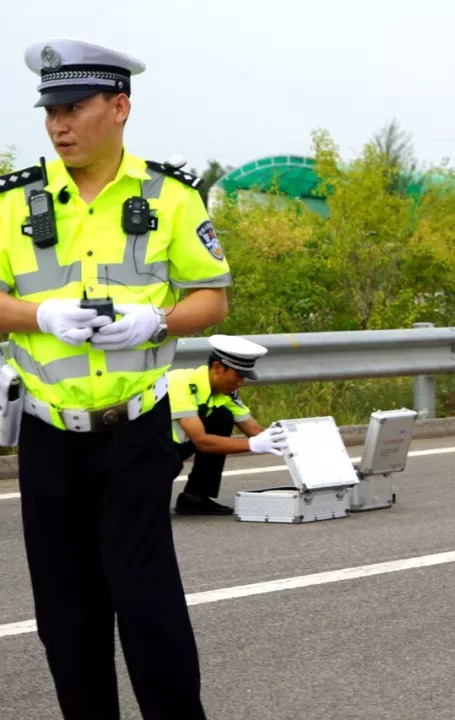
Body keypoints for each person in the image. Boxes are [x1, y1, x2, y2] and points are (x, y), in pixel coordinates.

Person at [0, 39, 232, 718]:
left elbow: (211, 298)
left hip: (134, 430)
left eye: (74, 107)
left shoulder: (172, 196)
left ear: (120, 106)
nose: (58, 124)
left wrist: (155, 322)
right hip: (48, 434)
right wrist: (39, 312)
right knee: (67, 616)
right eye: (50, 110)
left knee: (147, 604)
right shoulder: (13, 203)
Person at [170, 334, 287, 515]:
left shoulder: (225, 393)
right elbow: (201, 441)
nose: (241, 383)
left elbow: (256, 431)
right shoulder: (179, 384)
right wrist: (252, 445)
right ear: (217, 368)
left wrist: (301, 444)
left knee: (223, 416)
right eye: (238, 376)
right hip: (142, 457)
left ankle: (195, 498)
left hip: (167, 454)